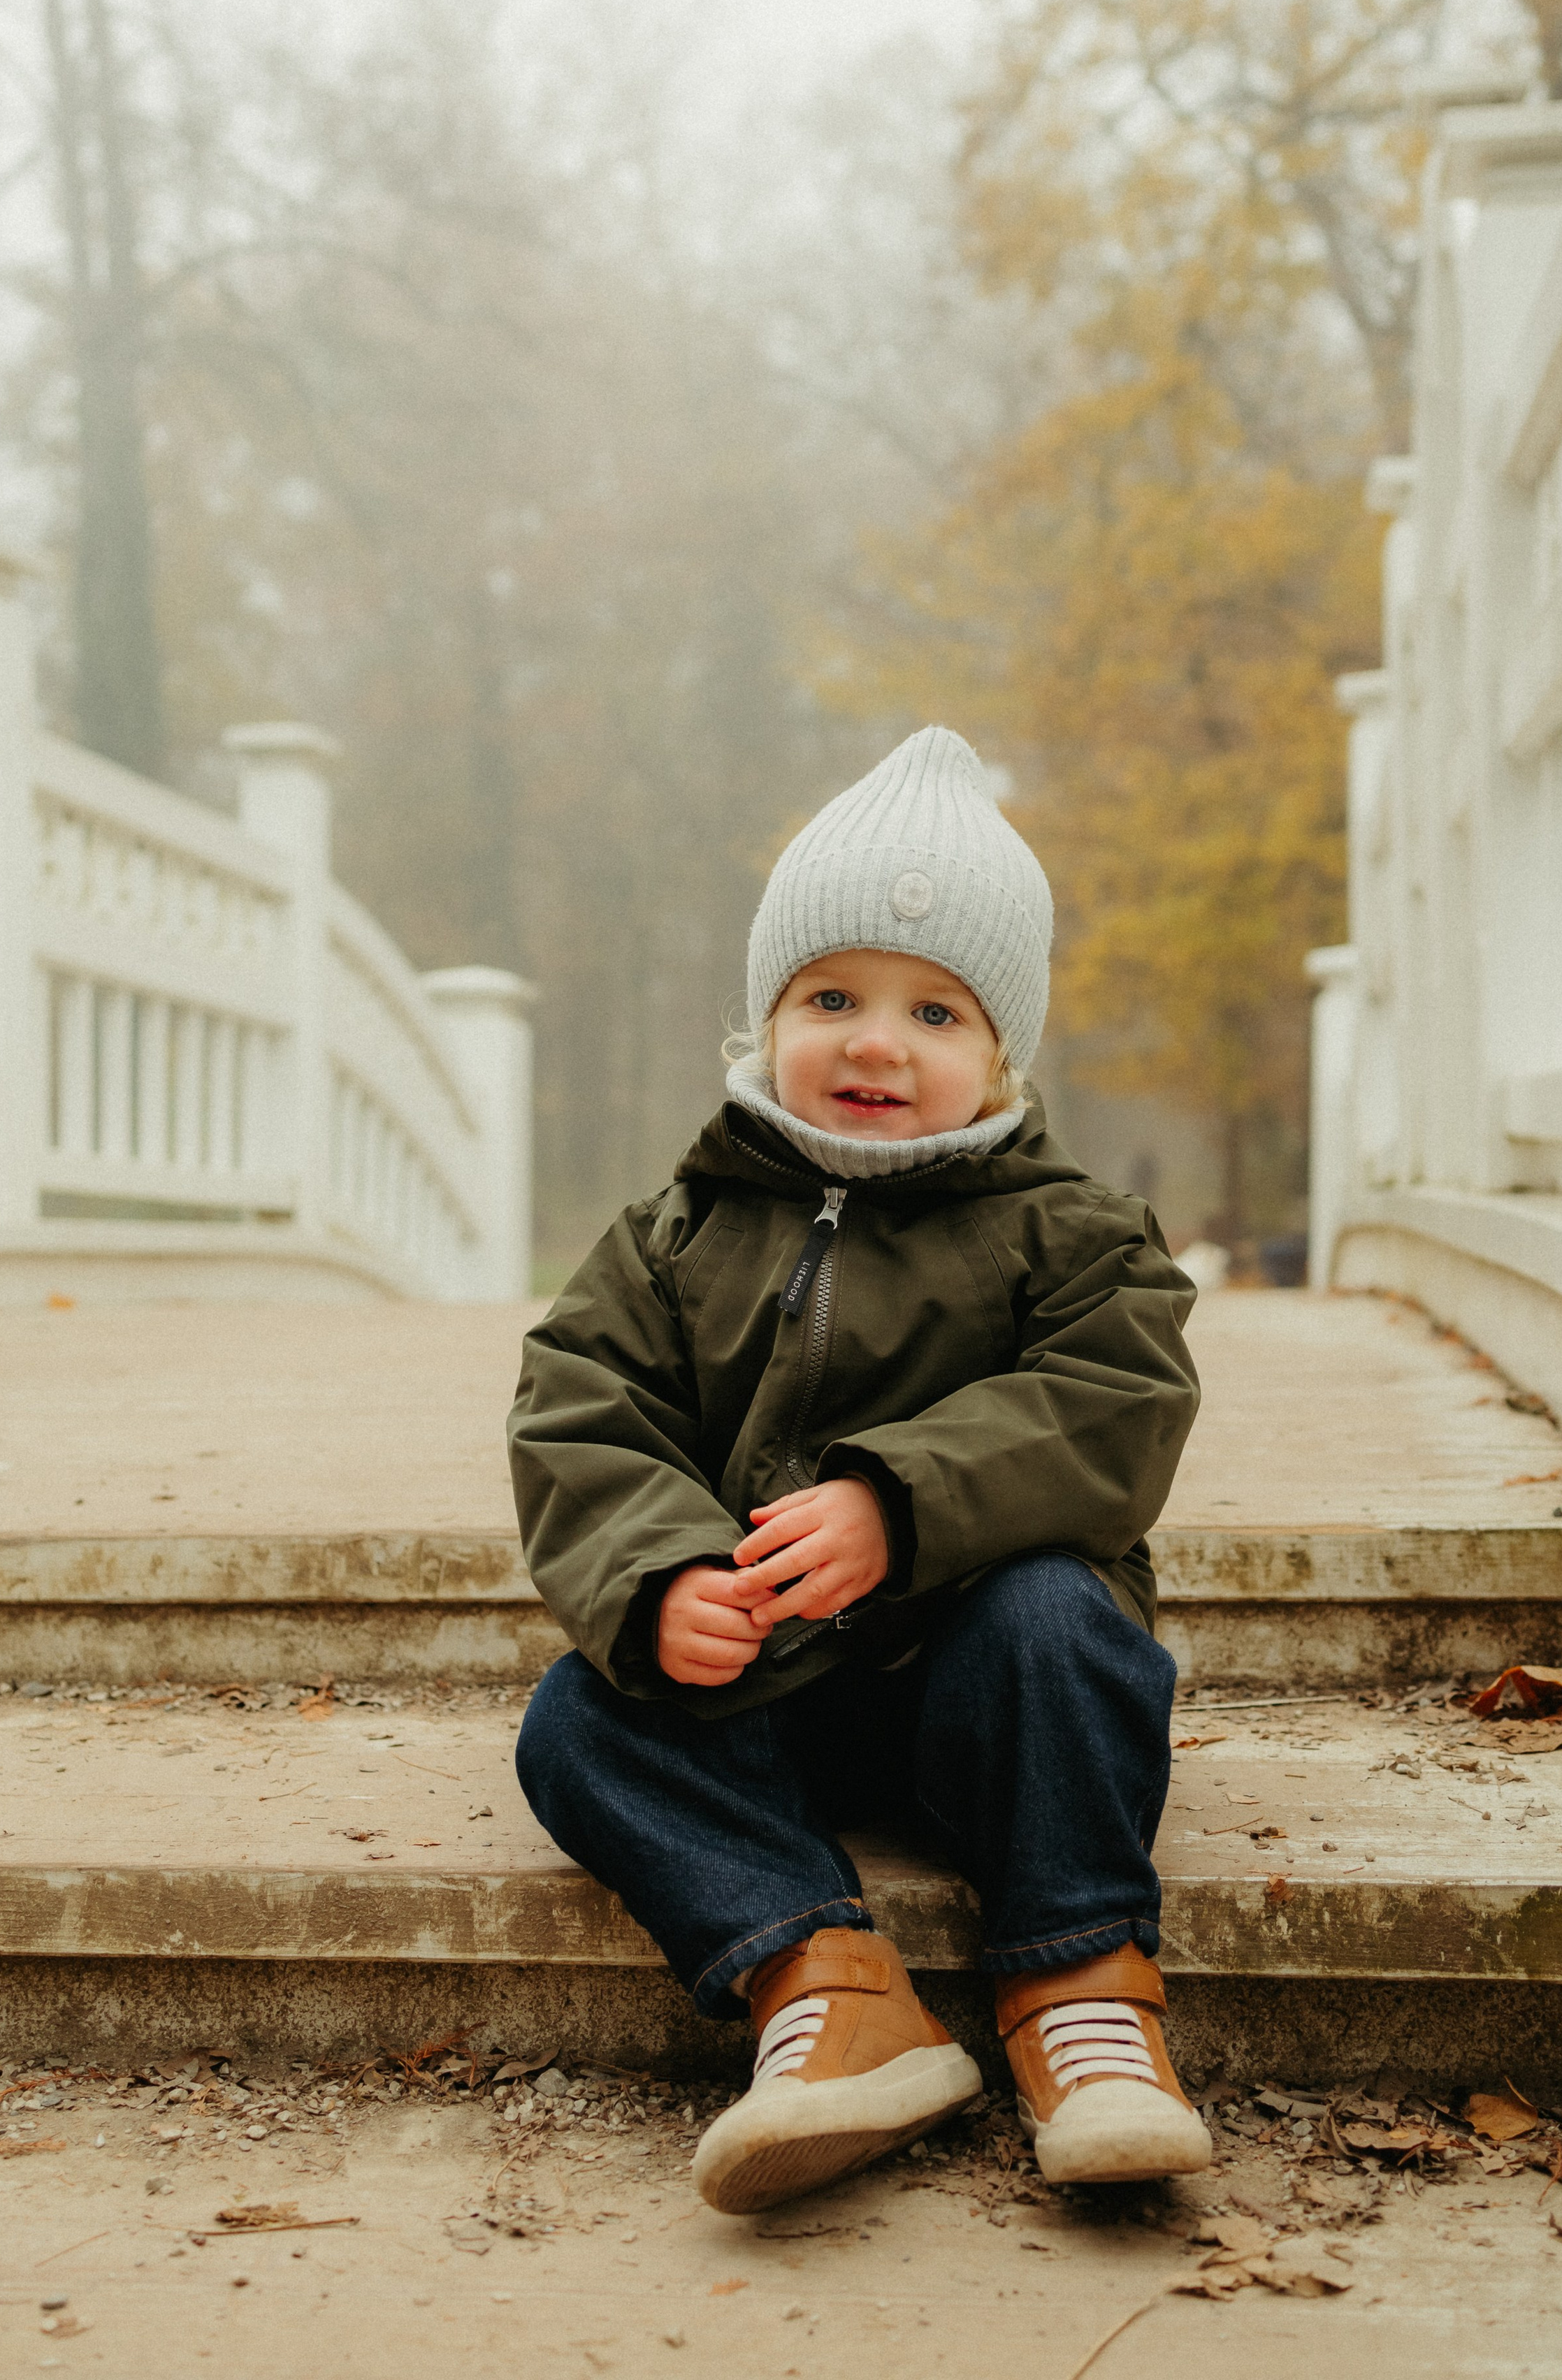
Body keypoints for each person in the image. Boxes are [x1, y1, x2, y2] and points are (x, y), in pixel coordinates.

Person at [509, 726, 1208, 2216]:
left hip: (984, 1692)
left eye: (932, 1009)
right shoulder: (676, 1233)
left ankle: (1079, 1986)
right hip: (769, 1689)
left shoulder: (1073, 1234)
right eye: (828, 996)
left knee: (1051, 1619)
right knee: (575, 1715)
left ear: (998, 1054)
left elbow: (1112, 1403)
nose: (873, 1040)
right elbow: (581, 1404)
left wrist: (899, 1501)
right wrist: (660, 1573)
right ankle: (822, 1981)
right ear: (767, 1018)